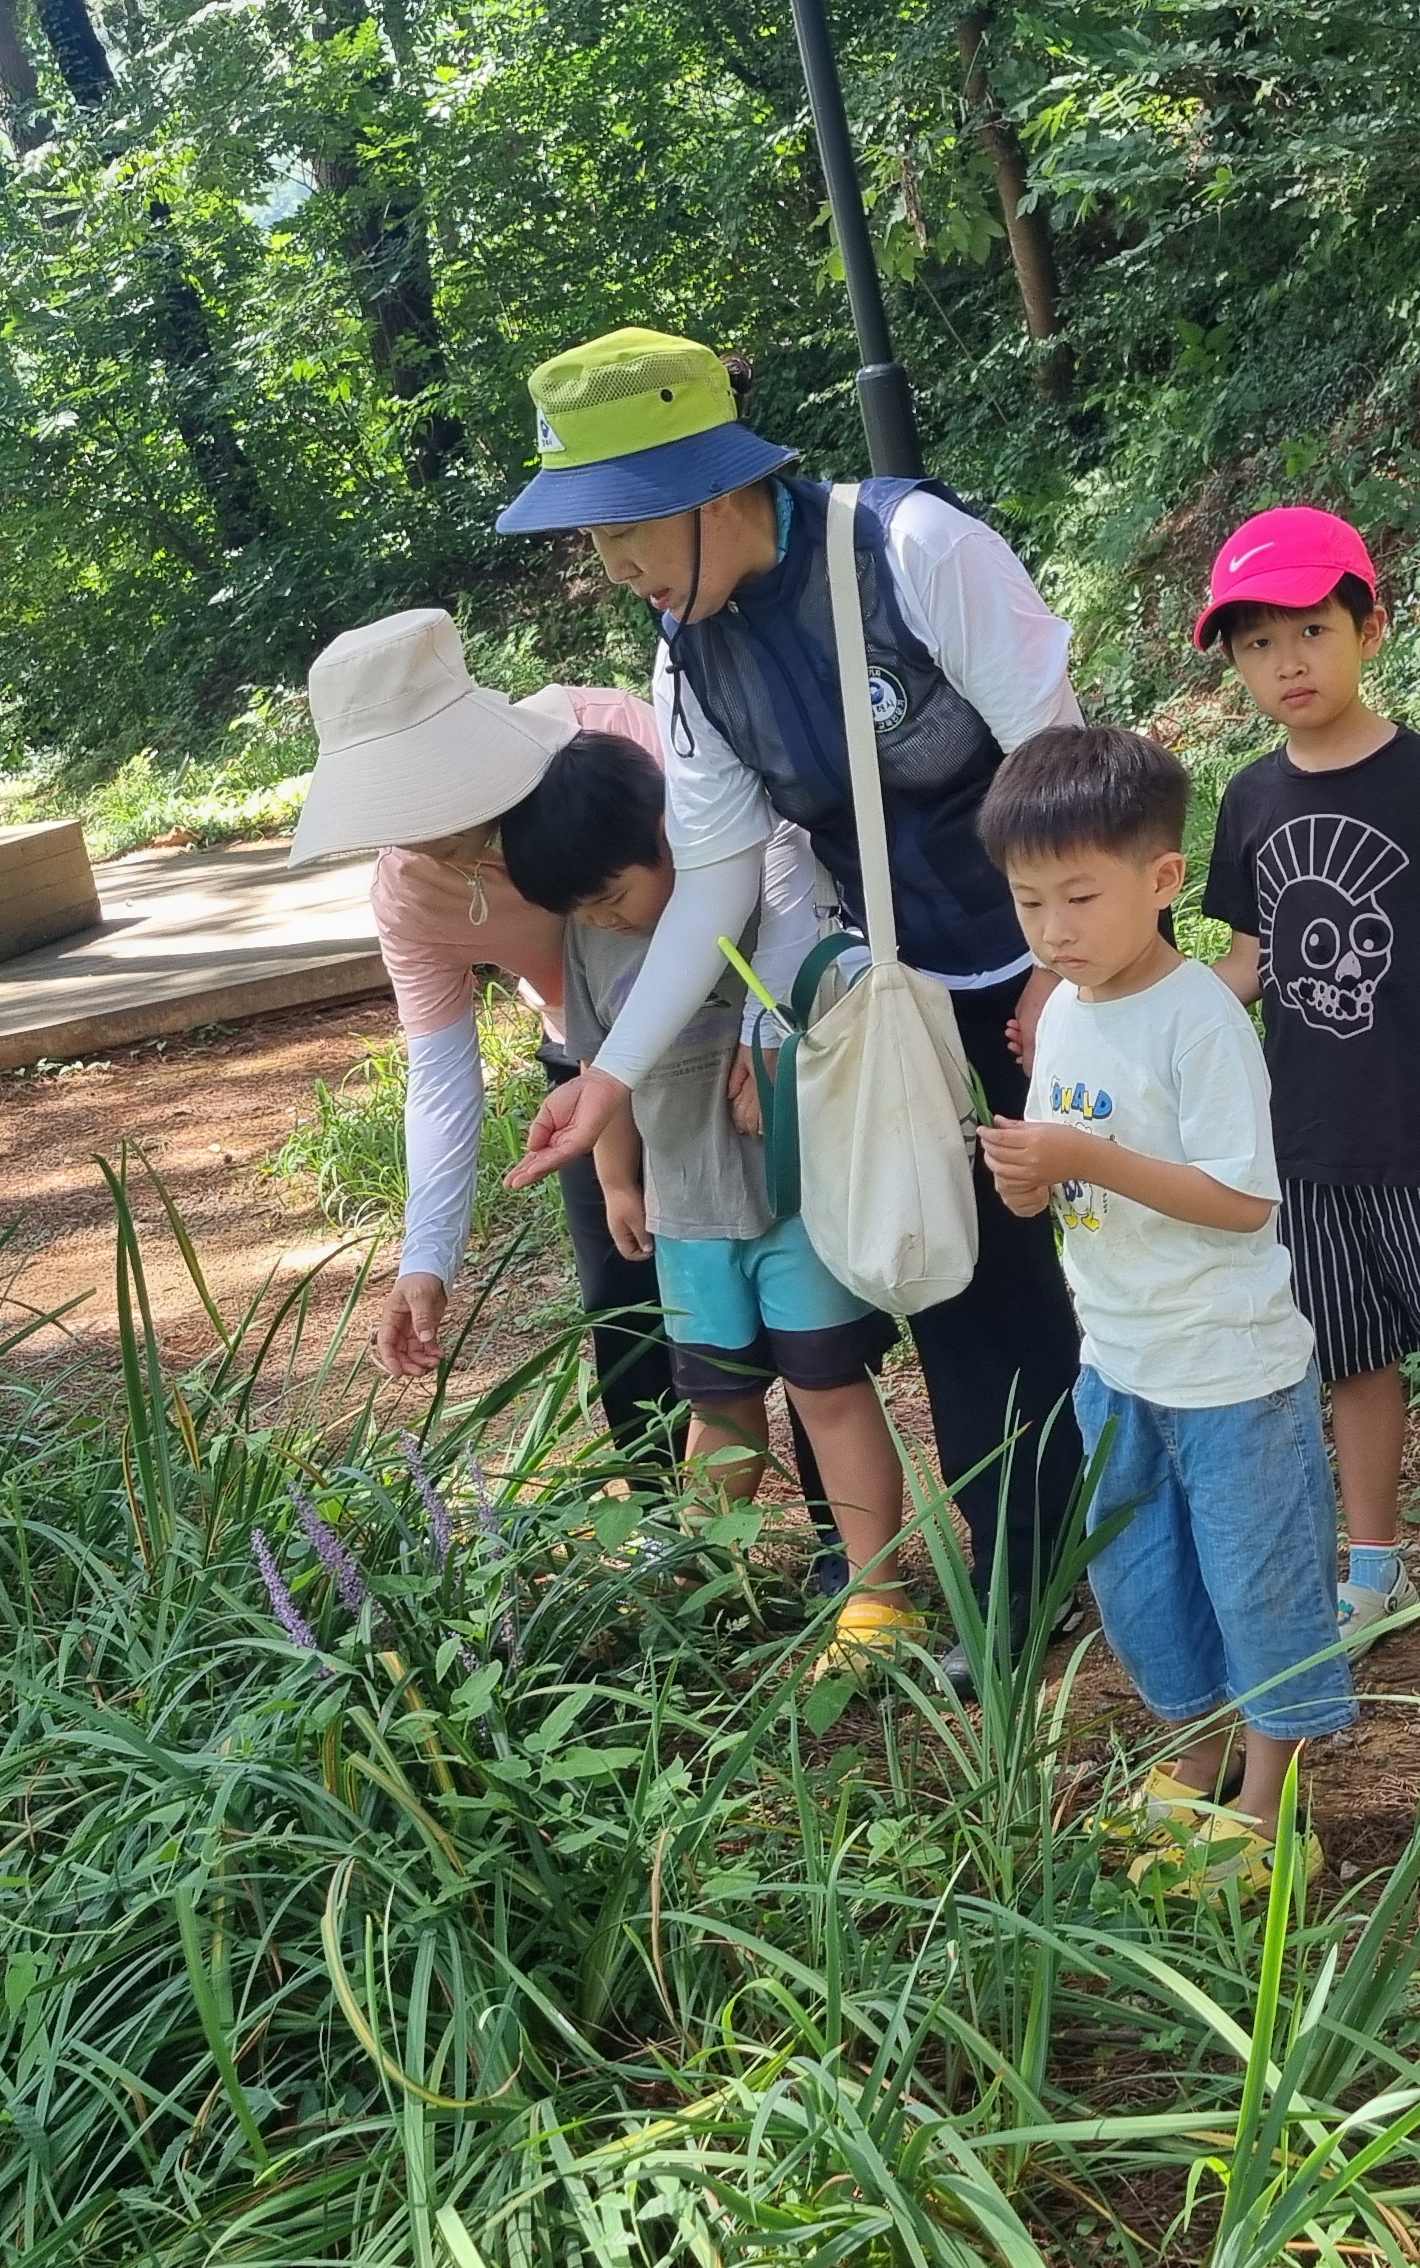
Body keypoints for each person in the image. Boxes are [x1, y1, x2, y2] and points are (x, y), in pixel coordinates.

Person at [491, 329, 1088, 1665]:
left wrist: (1058, 968)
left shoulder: (912, 550)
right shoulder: (686, 649)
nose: (616, 571)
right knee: (961, 1281)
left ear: (710, 493)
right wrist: (609, 1078)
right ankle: (1030, 1581)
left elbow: (1058, 755)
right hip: (892, 1006)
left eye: (623, 535)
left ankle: (1186, 1551)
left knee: (1127, 1261)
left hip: (1057, 965)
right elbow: (709, 884)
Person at [973, 725, 1347, 1883]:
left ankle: (1269, 1798)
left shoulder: (1200, 1019)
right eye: (1029, 902)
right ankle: (1191, 1760)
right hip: (1118, 1359)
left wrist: (1079, 1154)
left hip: (1231, 1371)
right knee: (1144, 1581)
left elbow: (1242, 1199)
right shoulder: (1067, 1013)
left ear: (1163, 880)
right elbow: (1066, 1194)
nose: (1052, 929)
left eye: (1079, 896)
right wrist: (1032, 1178)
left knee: (1259, 1579)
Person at [1190, 507, 1420, 1649]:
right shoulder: (1249, 800)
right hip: (1305, 1138)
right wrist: (1134, 1017)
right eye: (1256, 644)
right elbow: (1246, 961)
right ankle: (1376, 1563)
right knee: (1350, 1359)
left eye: (1309, 629)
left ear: (1369, 627)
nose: (1286, 662)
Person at [488, 729, 920, 1665]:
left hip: (792, 1206)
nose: (603, 921)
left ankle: (877, 1594)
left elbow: (828, 998)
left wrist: (782, 1052)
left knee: (828, 1390)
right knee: (717, 1404)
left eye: (611, 895)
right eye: (584, 910)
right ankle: (698, 1577)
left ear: (668, 836)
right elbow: (600, 1066)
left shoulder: (751, 901)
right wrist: (614, 1180)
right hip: (685, 1216)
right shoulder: (589, 946)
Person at [286, 609, 685, 1454]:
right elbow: (439, 1076)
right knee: (624, 1297)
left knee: (779, 1303)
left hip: (728, 1045)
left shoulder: (611, 740)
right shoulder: (410, 895)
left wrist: (769, 1029)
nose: (405, 827)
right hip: (585, 1070)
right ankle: (659, 1529)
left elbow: (765, 863)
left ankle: (843, 1540)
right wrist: (425, 1258)